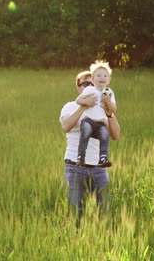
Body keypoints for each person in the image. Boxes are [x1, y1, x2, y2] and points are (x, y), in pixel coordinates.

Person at [60, 70, 120, 228]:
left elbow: (115, 134)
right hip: (74, 166)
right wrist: (83, 106)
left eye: (92, 83)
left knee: (105, 213)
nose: (90, 86)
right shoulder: (70, 106)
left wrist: (109, 113)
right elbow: (66, 126)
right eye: (85, 84)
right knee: (75, 215)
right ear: (79, 88)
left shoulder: (102, 106)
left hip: (99, 169)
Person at [77, 61, 117, 167]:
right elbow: (78, 100)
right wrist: (86, 102)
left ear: (108, 80)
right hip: (88, 120)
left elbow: (113, 109)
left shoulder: (109, 92)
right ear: (93, 80)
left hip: (101, 122)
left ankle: (103, 158)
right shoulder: (89, 89)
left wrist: (108, 101)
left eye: (105, 76)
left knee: (104, 135)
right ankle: (81, 156)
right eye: (98, 75)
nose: (102, 78)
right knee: (86, 130)